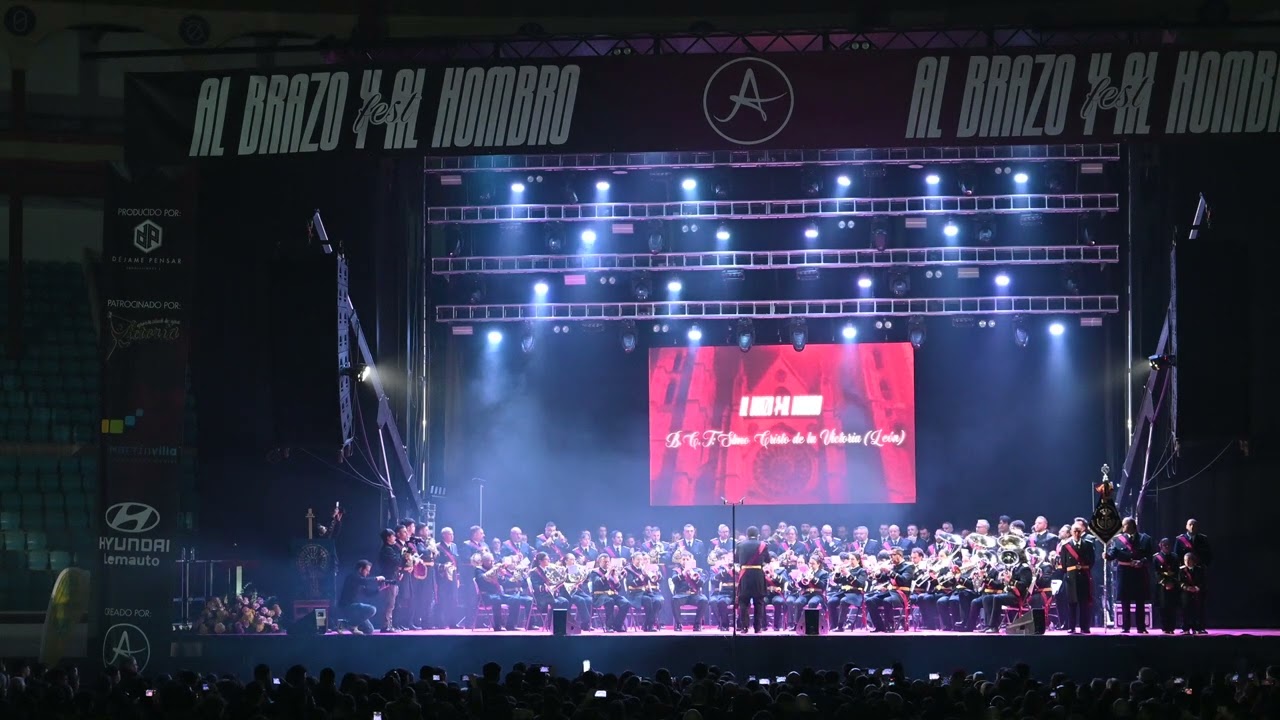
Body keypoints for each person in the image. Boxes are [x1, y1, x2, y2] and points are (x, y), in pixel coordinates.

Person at [1105, 516, 1153, 633]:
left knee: (1139, 600)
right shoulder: (1118, 540)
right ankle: (1125, 627)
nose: (1122, 527)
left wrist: (1141, 562)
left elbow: (1150, 556)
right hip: (1124, 573)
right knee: (1125, 600)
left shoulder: (1145, 539)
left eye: (1125, 525)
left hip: (1139, 573)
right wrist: (1107, 556)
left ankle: (1141, 627)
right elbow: (1113, 554)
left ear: (1132, 525)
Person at [1058, 520, 1095, 634]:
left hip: (1083, 576)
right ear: (1071, 532)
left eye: (1079, 531)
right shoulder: (1066, 546)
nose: (1077, 533)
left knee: (1084, 603)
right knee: (1071, 603)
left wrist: (1083, 567)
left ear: (1082, 531)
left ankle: (1085, 627)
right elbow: (1064, 564)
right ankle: (1072, 626)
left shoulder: (1088, 545)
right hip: (1071, 578)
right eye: (1075, 531)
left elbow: (1092, 560)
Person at [865, 548, 914, 632]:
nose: (891, 558)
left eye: (893, 555)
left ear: (899, 555)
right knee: (870, 601)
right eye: (890, 555)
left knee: (886, 601)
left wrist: (890, 572)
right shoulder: (893, 566)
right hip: (891, 592)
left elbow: (903, 580)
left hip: (901, 594)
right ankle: (880, 626)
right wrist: (878, 574)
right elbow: (882, 579)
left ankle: (890, 626)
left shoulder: (909, 566)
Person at [735, 526, 771, 633]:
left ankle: (744, 627)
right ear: (758, 535)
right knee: (758, 602)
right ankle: (757, 628)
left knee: (743, 602)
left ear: (746, 535)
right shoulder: (763, 545)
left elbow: (736, 560)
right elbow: (768, 560)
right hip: (758, 576)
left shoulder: (740, 545)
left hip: (745, 575)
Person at [338, 560, 384, 635]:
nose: (368, 573)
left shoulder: (360, 580)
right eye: (367, 570)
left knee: (369, 629)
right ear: (360, 569)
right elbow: (364, 581)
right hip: (347, 606)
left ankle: (344, 624)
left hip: (355, 609)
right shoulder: (352, 576)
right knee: (372, 609)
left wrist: (379, 589)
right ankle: (352, 625)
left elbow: (367, 593)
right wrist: (377, 578)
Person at [589, 555, 629, 632]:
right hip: (599, 595)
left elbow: (618, 589)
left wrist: (616, 578)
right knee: (609, 601)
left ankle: (618, 625)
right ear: (599, 562)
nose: (607, 563)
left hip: (612, 594)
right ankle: (608, 626)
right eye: (605, 562)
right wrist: (608, 573)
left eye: (608, 562)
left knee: (625, 603)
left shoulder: (612, 573)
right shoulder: (594, 572)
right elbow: (598, 583)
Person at [669, 552, 708, 631]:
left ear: (691, 560)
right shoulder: (676, 571)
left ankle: (697, 624)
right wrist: (683, 573)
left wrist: (695, 578)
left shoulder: (698, 570)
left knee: (704, 600)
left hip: (695, 595)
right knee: (674, 600)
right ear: (680, 561)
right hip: (681, 595)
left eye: (687, 559)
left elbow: (702, 584)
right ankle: (678, 624)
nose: (685, 561)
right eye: (683, 559)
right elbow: (674, 580)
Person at [375, 529, 403, 633]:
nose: (395, 538)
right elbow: (397, 561)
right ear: (388, 538)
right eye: (393, 536)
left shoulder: (390, 549)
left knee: (391, 603)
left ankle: (388, 625)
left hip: (392, 579)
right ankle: (386, 625)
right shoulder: (387, 550)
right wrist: (401, 553)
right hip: (388, 580)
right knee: (389, 603)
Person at [1152, 538, 1180, 634]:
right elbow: (1155, 572)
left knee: (1172, 607)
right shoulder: (1156, 558)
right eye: (1164, 545)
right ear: (1160, 546)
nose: (1167, 547)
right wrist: (1164, 582)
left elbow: (1177, 571)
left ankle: (1171, 628)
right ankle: (1165, 628)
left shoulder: (1175, 557)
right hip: (1162, 586)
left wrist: (1172, 583)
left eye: (1168, 545)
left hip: (1173, 584)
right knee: (1163, 607)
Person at [1180, 552, 1207, 634]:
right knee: (1186, 611)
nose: (1187, 562)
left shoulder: (1199, 569)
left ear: (1193, 560)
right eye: (1185, 560)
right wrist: (1187, 587)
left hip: (1197, 593)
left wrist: (1197, 588)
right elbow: (1179, 581)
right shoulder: (1182, 570)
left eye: (1189, 560)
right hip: (1186, 593)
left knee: (1198, 611)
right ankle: (1186, 628)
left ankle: (1198, 628)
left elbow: (1203, 581)